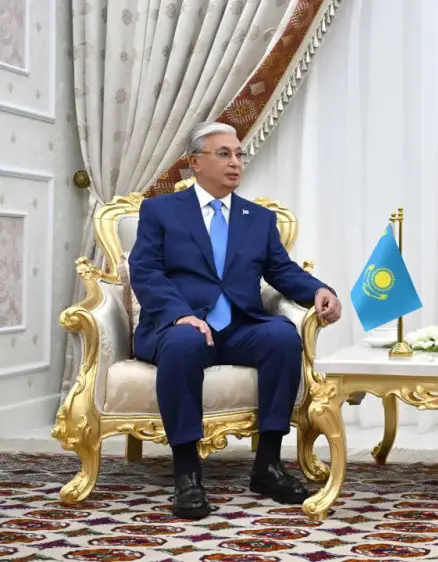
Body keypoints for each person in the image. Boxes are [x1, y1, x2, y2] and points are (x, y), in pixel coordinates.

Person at [129, 122, 343, 519]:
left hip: (239, 326)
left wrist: (318, 290)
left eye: (239, 154)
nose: (235, 162)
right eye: (224, 153)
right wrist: (180, 315)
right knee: (184, 343)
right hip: (180, 325)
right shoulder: (160, 211)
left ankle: (268, 466)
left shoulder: (257, 218)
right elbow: (146, 272)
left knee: (282, 336)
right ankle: (187, 474)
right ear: (195, 162)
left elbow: (281, 270)